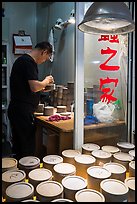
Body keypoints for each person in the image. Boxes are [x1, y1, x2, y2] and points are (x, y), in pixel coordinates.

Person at [8, 41, 54, 160]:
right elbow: (34, 87)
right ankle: (27, 173)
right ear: (44, 52)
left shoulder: (23, 61)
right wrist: (46, 81)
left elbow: (28, 87)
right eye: (46, 58)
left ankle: (18, 173)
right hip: (22, 112)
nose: (44, 61)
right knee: (26, 147)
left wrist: (41, 88)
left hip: (18, 110)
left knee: (19, 145)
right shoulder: (28, 62)